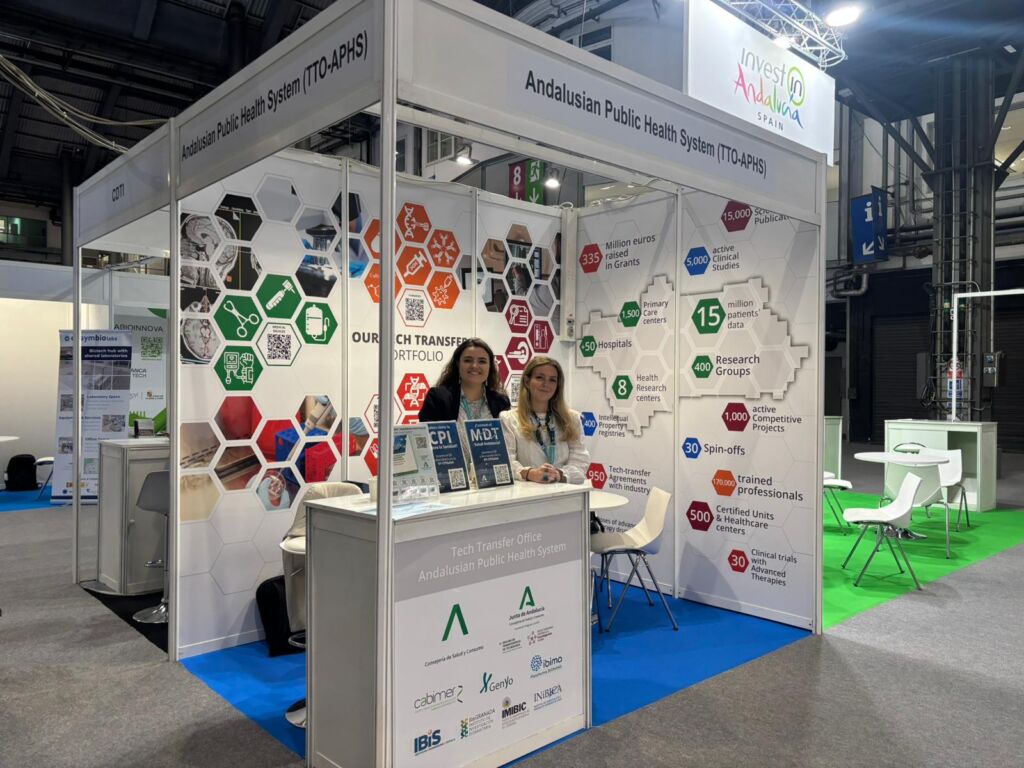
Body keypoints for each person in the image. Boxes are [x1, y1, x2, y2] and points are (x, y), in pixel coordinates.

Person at [500, 356, 590, 484]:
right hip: (526, 493)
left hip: (565, 492)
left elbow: (580, 460)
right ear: (527, 381)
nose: (546, 384)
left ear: (558, 385)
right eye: (539, 378)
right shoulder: (508, 419)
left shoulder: (572, 419)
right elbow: (506, 461)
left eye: (552, 380)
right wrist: (530, 473)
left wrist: (559, 474)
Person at [418, 338, 510, 423]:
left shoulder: (501, 401)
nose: (474, 366)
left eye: (482, 361)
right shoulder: (438, 398)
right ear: (458, 364)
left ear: (490, 366)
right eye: (468, 360)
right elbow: (426, 433)